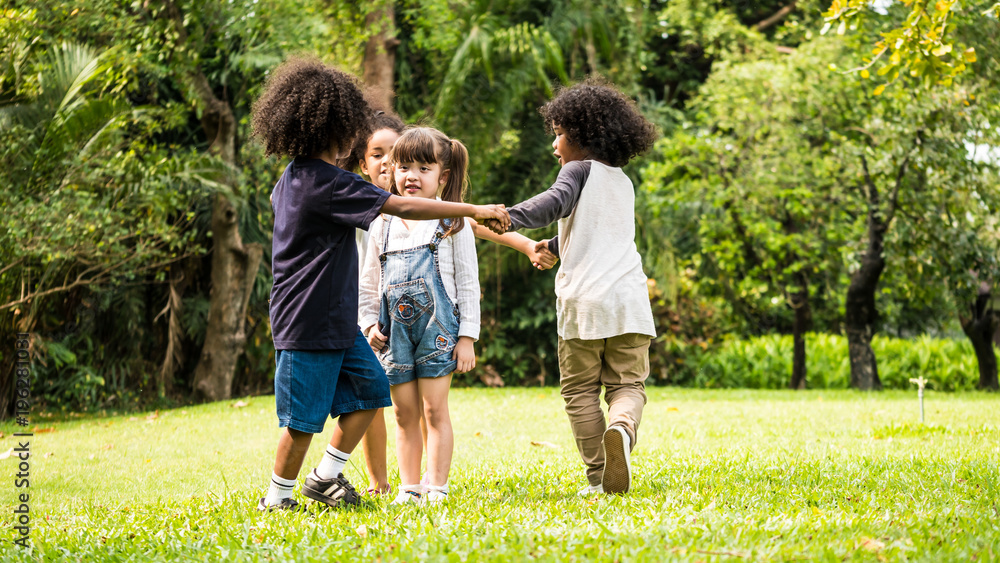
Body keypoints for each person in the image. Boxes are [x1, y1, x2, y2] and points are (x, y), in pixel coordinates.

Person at [251, 57, 510, 512]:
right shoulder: (324, 182)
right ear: (333, 129)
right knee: (302, 421)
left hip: (336, 318)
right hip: (307, 319)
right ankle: (278, 497)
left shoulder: (297, 180)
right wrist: (470, 209)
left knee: (371, 390)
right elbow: (404, 209)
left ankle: (325, 477)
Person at [494, 79, 658, 495]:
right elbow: (596, 234)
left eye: (559, 134)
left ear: (582, 137)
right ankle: (621, 428)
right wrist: (551, 246)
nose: (555, 145)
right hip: (629, 301)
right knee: (628, 386)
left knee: (580, 390)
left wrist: (509, 216)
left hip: (584, 301)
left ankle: (599, 476)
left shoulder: (576, 170)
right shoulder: (622, 181)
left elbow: (553, 203)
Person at [357, 127, 484, 504]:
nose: (411, 176)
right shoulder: (382, 222)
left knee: (433, 409)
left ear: (442, 177)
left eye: (423, 168)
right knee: (402, 412)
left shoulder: (452, 223)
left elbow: (468, 283)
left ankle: (437, 486)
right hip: (393, 332)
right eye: (404, 167)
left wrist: (468, 337)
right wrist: (367, 323)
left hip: (439, 332)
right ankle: (410, 488)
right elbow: (368, 283)